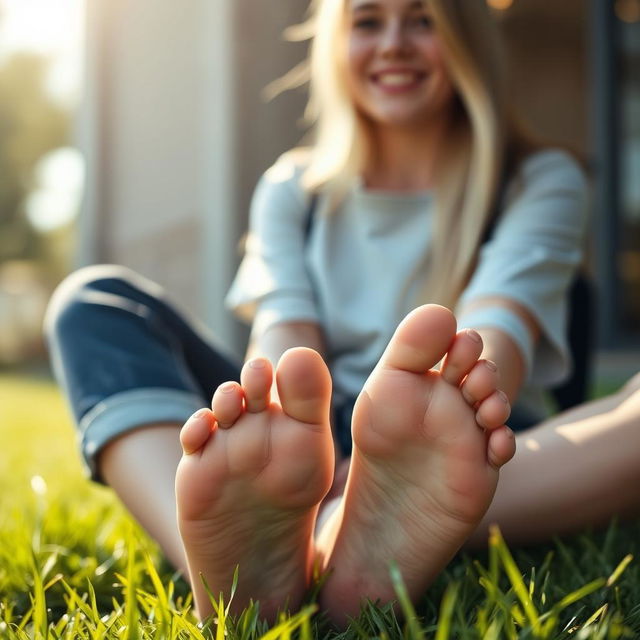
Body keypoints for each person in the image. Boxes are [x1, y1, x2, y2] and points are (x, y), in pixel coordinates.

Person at [43, 0, 640, 628]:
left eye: (422, 20)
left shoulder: (536, 180)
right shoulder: (293, 190)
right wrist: (282, 444)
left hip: (458, 433)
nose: (393, 44)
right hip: (314, 429)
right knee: (93, 302)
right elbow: (284, 351)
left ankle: (359, 524)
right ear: (335, 43)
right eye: (367, 21)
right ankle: (228, 551)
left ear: (467, 39)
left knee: (475, 428)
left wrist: (423, 437)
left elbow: (493, 348)